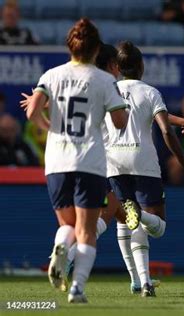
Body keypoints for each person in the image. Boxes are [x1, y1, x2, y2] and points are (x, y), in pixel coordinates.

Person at [26, 18, 129, 303]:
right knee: (86, 231)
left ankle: (60, 243)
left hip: (57, 160)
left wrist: (50, 128)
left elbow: (32, 112)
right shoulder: (104, 79)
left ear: (70, 46)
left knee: (67, 226)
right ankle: (77, 288)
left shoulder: (51, 75)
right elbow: (120, 121)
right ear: (96, 49)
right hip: (90, 161)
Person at [105, 41, 184, 297]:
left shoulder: (108, 90)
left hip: (113, 161)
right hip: (142, 161)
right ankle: (143, 280)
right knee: (157, 227)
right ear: (141, 65)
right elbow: (165, 128)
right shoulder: (149, 91)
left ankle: (139, 282)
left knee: (125, 224)